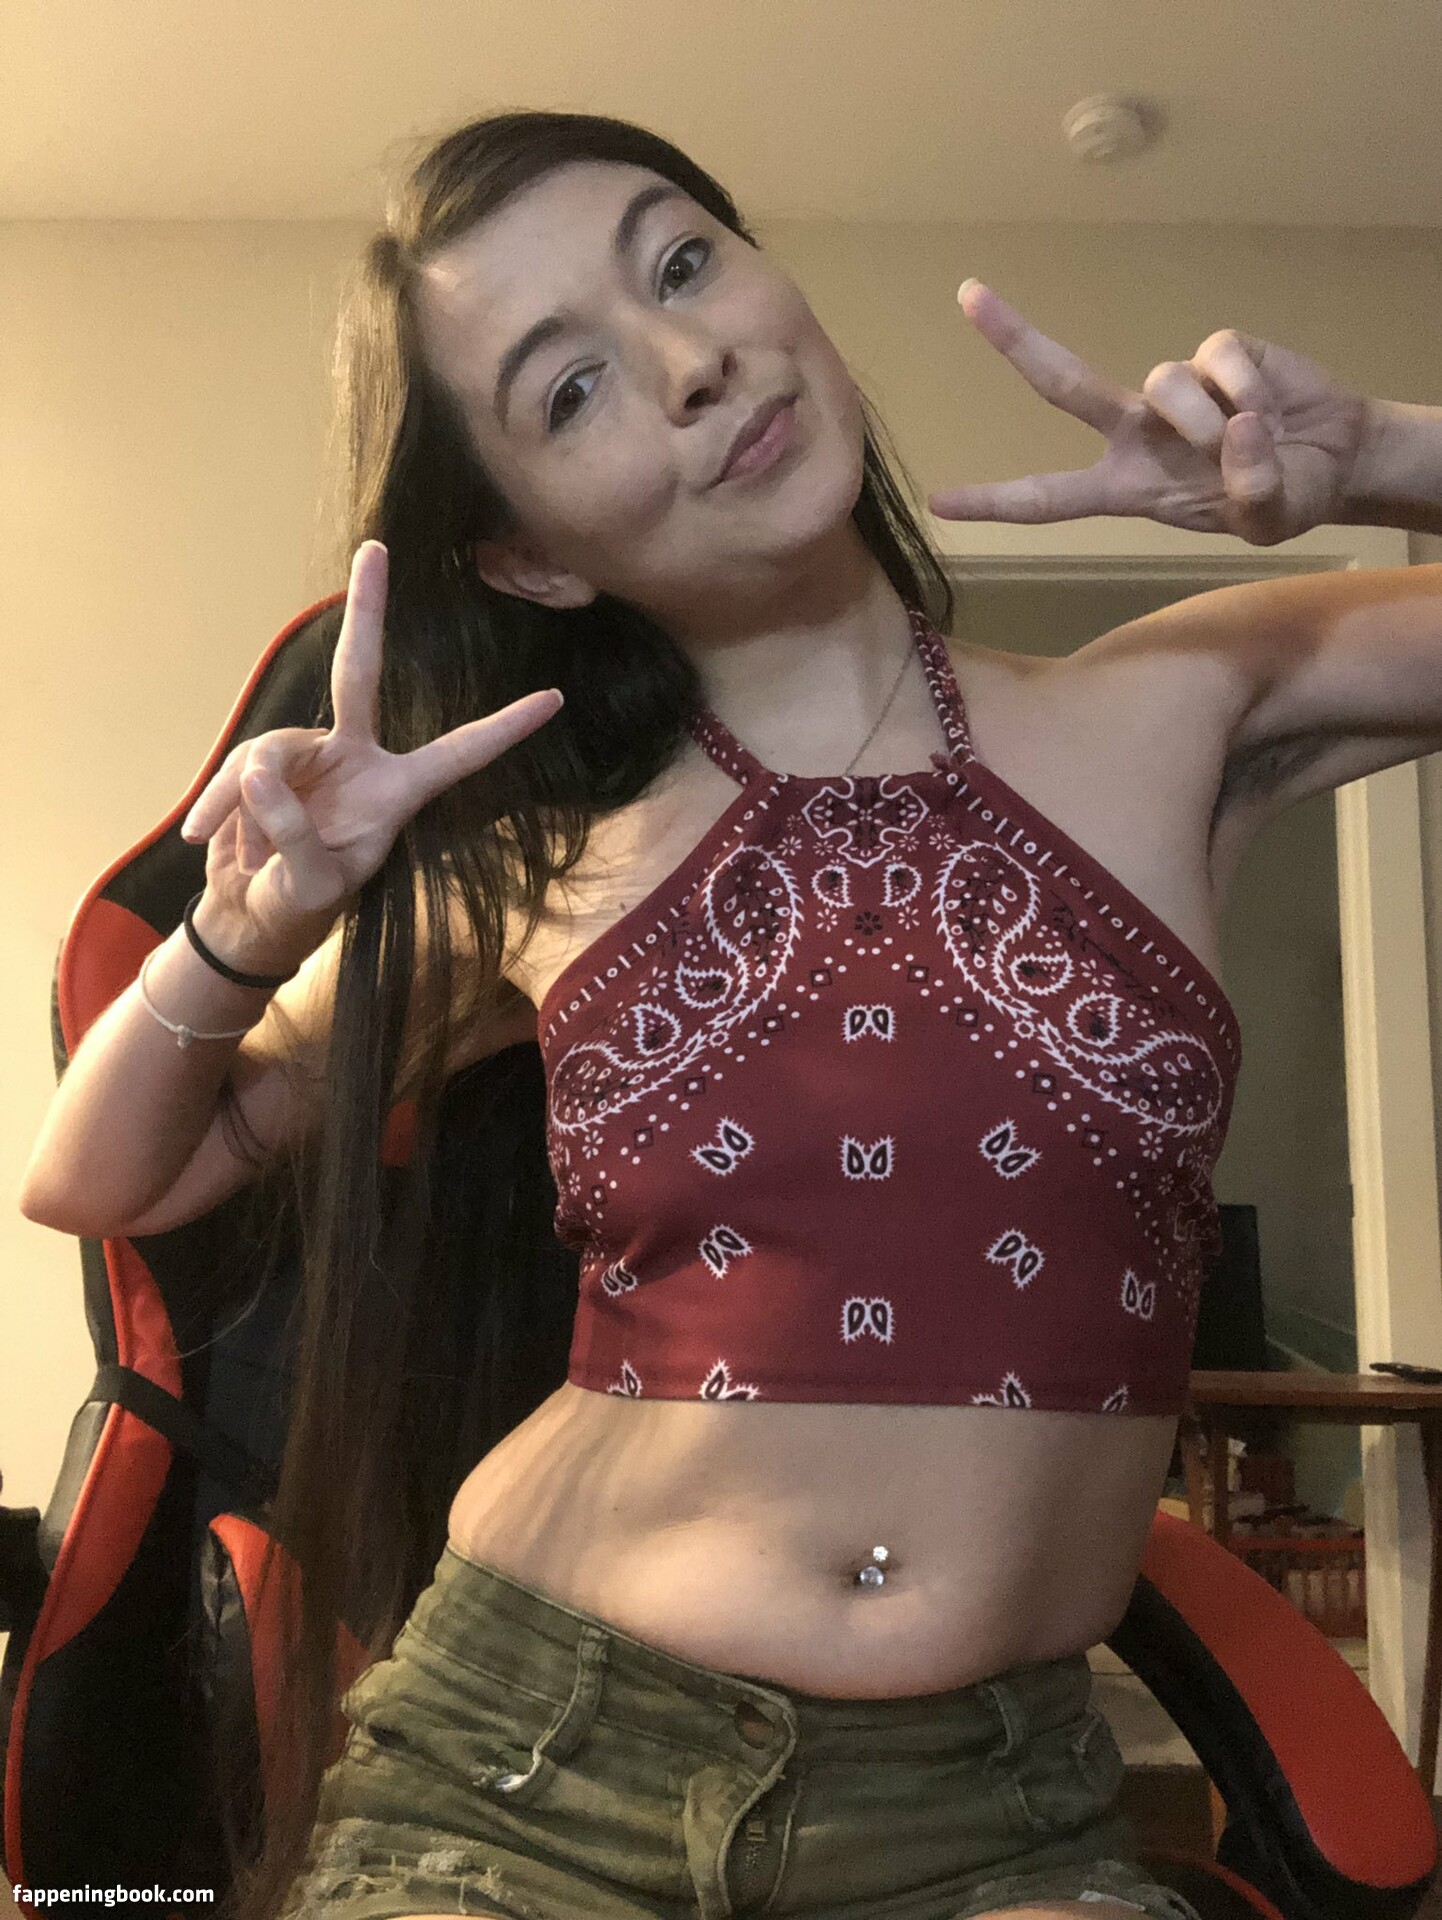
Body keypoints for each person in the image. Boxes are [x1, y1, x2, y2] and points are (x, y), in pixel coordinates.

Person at [19, 107, 1442, 1920]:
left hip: (985, 1816)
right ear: (531, 557)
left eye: (681, 261)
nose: (687, 361)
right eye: (570, 391)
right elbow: (103, 1180)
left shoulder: (1175, 707)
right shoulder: (541, 874)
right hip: (527, 1770)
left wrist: (1383, 454)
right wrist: (241, 932)